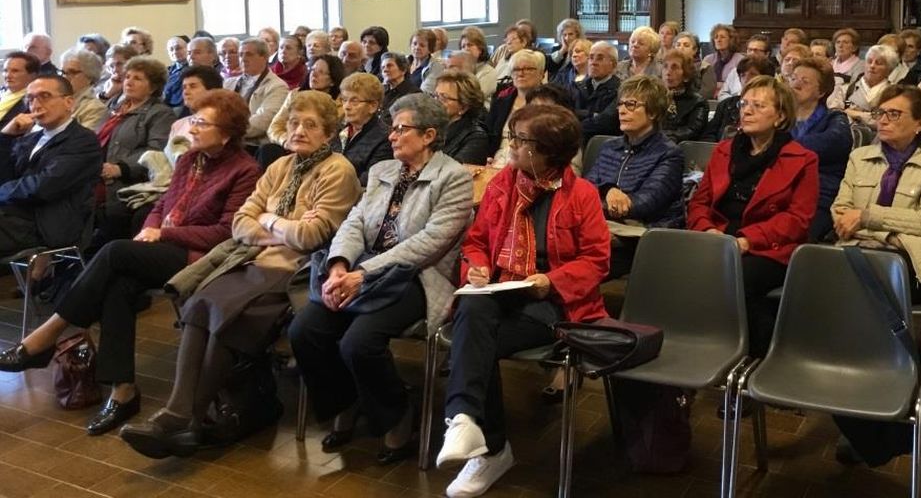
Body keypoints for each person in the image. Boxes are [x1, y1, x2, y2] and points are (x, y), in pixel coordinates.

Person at [0, 89, 260, 436]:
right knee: (118, 286)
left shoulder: (244, 169)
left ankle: (49, 334)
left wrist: (164, 235)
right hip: (167, 245)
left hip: (202, 257)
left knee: (114, 252)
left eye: (202, 123)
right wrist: (153, 226)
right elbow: (161, 205)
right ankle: (123, 391)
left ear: (226, 133)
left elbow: (226, 232)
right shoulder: (188, 160)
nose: (192, 128)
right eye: (194, 119)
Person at [119, 93, 361, 459]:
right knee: (201, 303)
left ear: (329, 132)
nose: (299, 130)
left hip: (294, 272)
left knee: (225, 315)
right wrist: (279, 225)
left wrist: (265, 221)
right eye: (294, 123)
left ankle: (185, 420)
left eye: (310, 125)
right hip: (250, 261)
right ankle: (180, 416)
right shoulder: (280, 166)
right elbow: (239, 224)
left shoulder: (337, 170)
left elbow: (310, 237)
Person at [437, 103, 609, 498]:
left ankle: (486, 442)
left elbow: (597, 261)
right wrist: (477, 269)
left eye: (521, 140)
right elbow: (476, 242)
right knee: (474, 303)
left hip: (554, 302)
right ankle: (466, 421)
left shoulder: (581, 194)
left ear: (548, 149)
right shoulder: (503, 183)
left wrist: (551, 280)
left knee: (475, 343)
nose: (510, 146)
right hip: (501, 290)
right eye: (512, 137)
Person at [290, 94, 472, 464]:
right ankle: (347, 401)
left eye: (402, 129)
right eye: (392, 128)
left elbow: (430, 243)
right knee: (304, 331)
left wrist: (363, 272)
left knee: (359, 343)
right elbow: (355, 220)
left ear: (429, 135)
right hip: (362, 269)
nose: (391, 136)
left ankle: (398, 415)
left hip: (415, 277)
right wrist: (340, 264)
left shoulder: (453, 178)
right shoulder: (382, 171)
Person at [830, 84, 921, 467]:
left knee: (844, 324)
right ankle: (878, 427)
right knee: (838, 320)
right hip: (858, 258)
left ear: (920, 123)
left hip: (916, 266)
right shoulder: (860, 157)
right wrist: (880, 226)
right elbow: (840, 208)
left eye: (894, 114)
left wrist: (870, 219)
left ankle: (875, 421)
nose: (882, 120)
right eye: (880, 113)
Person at [687, 75, 819, 358]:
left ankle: (745, 358)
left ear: (781, 116)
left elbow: (797, 220)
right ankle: (695, 349)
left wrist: (746, 241)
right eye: (744, 103)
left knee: (737, 277)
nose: (745, 111)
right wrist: (708, 232)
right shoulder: (724, 151)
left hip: (768, 248)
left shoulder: (803, 159)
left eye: (758, 106)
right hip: (718, 238)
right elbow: (699, 202)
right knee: (676, 269)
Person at [586, 75, 685, 278]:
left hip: (644, 235)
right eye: (621, 104)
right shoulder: (609, 147)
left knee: (582, 256)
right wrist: (608, 190)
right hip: (605, 227)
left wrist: (605, 201)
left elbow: (646, 203)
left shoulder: (669, 153)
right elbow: (585, 191)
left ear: (654, 112)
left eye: (631, 104)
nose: (621, 110)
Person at [0, 75, 101, 257]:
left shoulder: (83, 141)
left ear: (69, 102)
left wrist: (1, 192)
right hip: (15, 218)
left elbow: (44, 186)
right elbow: (6, 176)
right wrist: (5, 137)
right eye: (30, 99)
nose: (36, 105)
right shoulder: (30, 139)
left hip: (47, 225)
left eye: (44, 96)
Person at [94, 56, 176, 244]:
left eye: (138, 78)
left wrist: (120, 168)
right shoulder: (114, 107)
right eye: (128, 76)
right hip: (96, 174)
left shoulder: (160, 113)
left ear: (153, 86)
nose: (129, 81)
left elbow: (156, 150)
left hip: (128, 182)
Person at [789, 57, 852, 240]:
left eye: (805, 81)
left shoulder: (834, 119)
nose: (796, 85)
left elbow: (834, 141)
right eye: (793, 78)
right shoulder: (781, 118)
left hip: (819, 197)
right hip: (782, 193)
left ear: (822, 91)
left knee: (795, 238)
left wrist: (782, 147)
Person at [223, 38, 290, 149]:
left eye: (249, 54)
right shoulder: (228, 83)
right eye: (240, 55)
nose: (243, 59)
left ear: (264, 57)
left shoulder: (277, 86)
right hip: (227, 140)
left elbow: (262, 122)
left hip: (254, 145)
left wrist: (225, 131)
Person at [486, 50, 546, 167]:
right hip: (497, 161)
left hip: (533, 164)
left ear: (541, 74)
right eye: (516, 69)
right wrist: (487, 158)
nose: (521, 73)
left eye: (528, 69)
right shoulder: (500, 102)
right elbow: (488, 135)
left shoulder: (549, 102)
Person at [333, 72, 393, 184]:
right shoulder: (339, 130)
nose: (347, 106)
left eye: (354, 101)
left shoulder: (386, 138)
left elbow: (369, 180)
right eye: (344, 100)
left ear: (373, 106)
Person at [701, 57, 776, 142]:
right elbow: (708, 134)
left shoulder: (772, 105)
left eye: (753, 74)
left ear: (766, 78)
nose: (746, 79)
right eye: (743, 75)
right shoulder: (726, 104)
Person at [168, 65, 226, 159]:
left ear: (211, 90)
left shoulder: (222, 123)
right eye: (184, 87)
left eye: (193, 86)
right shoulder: (178, 125)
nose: (186, 92)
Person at [435, 70, 490, 165]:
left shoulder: (476, 138)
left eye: (443, 98)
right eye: (435, 96)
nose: (435, 102)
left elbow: (453, 174)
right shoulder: (429, 126)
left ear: (463, 107)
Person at [572, 42, 622, 143]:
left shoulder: (621, 90)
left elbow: (606, 122)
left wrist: (576, 120)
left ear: (613, 64)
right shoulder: (577, 86)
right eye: (590, 57)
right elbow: (567, 112)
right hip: (575, 141)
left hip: (604, 144)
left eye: (600, 58)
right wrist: (592, 114)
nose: (593, 62)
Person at [1, 52, 39, 184]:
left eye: (15, 71)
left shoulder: (34, 103)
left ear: (32, 75)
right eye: (5, 70)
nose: (7, 75)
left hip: (8, 161)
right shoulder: (2, 93)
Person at [660, 49, 709, 144]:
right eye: (665, 67)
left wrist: (663, 137)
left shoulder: (698, 102)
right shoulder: (654, 98)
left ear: (686, 76)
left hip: (681, 149)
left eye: (674, 67)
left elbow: (691, 131)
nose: (668, 72)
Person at [843, 44, 898, 123]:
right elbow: (837, 115)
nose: (872, 66)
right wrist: (873, 116)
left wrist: (858, 114)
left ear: (889, 69)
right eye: (869, 61)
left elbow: (890, 121)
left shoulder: (895, 92)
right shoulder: (847, 89)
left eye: (878, 63)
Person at [59, 48, 109, 131]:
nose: (65, 77)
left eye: (72, 72)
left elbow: (82, 141)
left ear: (89, 76)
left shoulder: (96, 109)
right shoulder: (57, 100)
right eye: (63, 72)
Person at [717, 34, 772, 100]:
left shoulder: (769, 72)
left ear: (767, 54)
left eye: (756, 50)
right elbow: (722, 94)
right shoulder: (735, 71)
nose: (752, 53)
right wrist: (735, 102)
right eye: (749, 50)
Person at [703, 24, 744, 98]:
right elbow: (704, 83)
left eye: (722, 37)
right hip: (709, 97)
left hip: (730, 97)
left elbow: (739, 84)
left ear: (731, 40)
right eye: (716, 37)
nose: (718, 40)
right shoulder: (708, 59)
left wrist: (719, 86)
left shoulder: (740, 59)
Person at [674, 31, 716, 100]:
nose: (681, 48)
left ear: (695, 50)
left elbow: (706, 93)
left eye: (686, 45)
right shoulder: (670, 67)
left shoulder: (705, 68)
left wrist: (687, 101)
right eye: (678, 45)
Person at [460, 26, 498, 100]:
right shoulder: (460, 70)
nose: (466, 49)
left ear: (480, 49)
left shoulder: (489, 72)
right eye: (463, 46)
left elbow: (474, 99)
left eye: (469, 45)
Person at [382, 51, 421, 124]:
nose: (385, 70)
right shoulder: (381, 91)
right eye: (383, 67)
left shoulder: (414, 94)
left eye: (389, 66)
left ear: (403, 70)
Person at [161, 35, 190, 109]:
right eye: (171, 49)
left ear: (188, 49)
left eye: (178, 48)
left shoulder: (192, 70)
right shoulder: (166, 71)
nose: (175, 52)